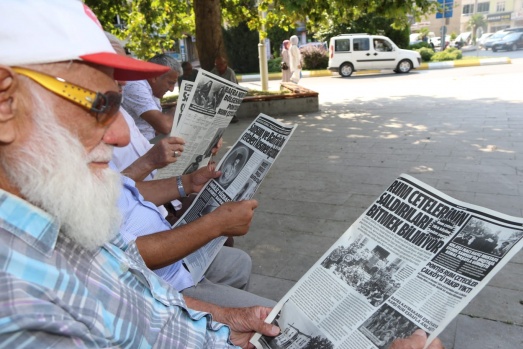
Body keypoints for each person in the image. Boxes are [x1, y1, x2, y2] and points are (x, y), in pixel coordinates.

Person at [0, 0, 281, 346]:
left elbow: (140, 296)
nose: (119, 136)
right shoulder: (22, 311)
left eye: (119, 102)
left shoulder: (54, 209)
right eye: (100, 104)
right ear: (6, 104)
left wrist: (223, 320)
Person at [122, 53, 180, 141]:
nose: (172, 89)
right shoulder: (135, 85)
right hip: (139, 150)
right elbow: (164, 126)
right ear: (154, 77)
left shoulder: (152, 89)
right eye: (170, 83)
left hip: (148, 144)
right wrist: (177, 109)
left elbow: (156, 130)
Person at [211, 56, 239, 123]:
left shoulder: (230, 72)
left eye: (220, 65)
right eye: (216, 65)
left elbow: (234, 87)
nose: (218, 67)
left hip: (228, 92)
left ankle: (232, 115)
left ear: (225, 64)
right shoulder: (214, 71)